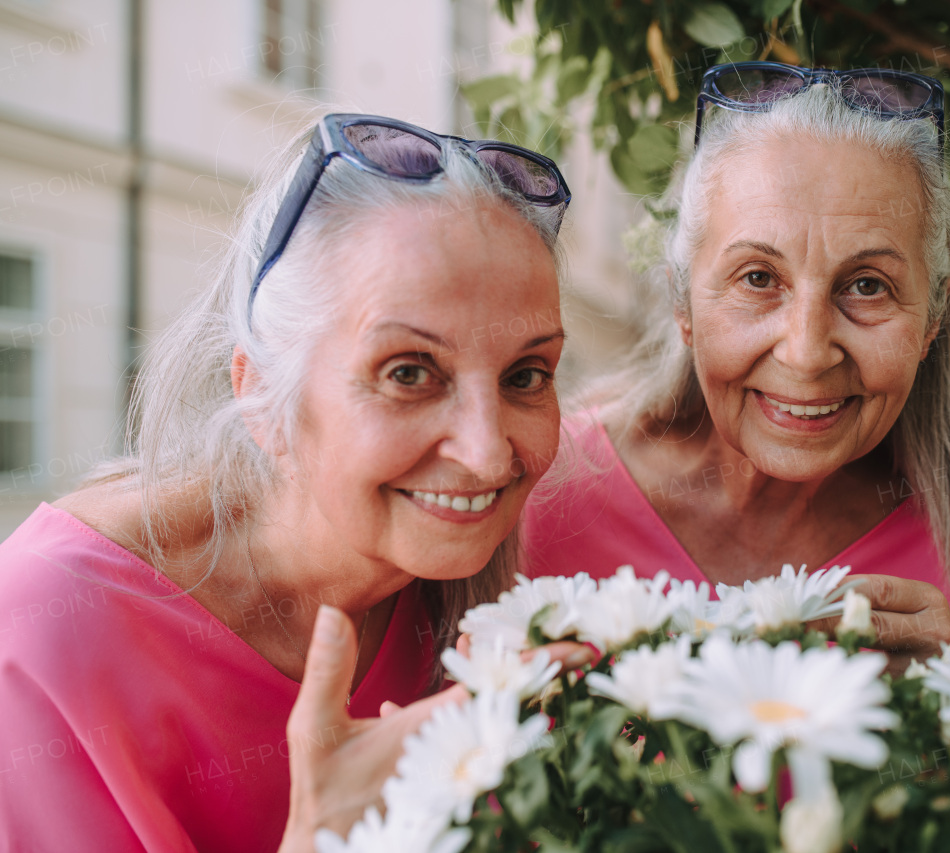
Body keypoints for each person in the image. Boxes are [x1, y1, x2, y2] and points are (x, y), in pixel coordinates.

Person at [0, 113, 592, 852]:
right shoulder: (44, 626)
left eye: (525, 375)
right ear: (261, 396)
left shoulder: (498, 592)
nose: (484, 451)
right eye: (408, 372)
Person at [522, 63, 950, 672]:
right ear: (683, 303)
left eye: (868, 286)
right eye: (757, 278)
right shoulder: (541, 492)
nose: (805, 352)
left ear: (933, 319)